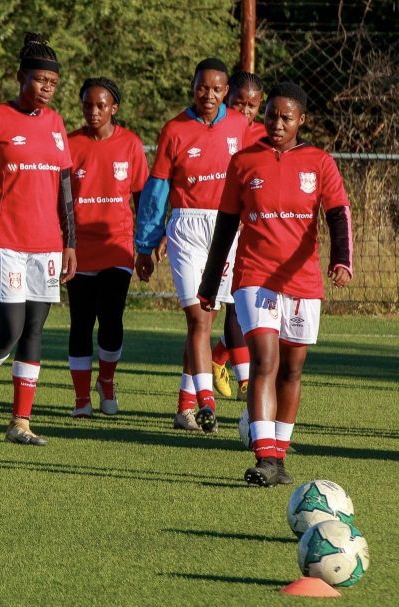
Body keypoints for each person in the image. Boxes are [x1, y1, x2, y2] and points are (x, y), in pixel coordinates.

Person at [197, 82, 352, 486]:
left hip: (302, 281)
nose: (276, 123)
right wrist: (210, 284)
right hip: (255, 276)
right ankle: (264, 456)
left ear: (302, 120)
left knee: (292, 370)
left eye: (286, 117)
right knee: (265, 361)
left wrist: (342, 261)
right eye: (270, 115)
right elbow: (226, 225)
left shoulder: (319, 162)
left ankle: (279, 458)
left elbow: (338, 213)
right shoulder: (244, 161)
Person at [0, 34, 74, 445]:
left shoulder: (57, 123)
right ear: (20, 77)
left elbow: (64, 188)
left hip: (46, 244)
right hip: (4, 242)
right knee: (10, 328)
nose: (46, 88)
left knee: (35, 331)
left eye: (52, 83)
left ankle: (19, 422)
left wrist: (69, 242)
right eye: (40, 80)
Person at [134, 57, 249, 434]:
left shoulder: (239, 125)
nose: (209, 95)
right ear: (193, 85)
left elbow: (253, 175)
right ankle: (207, 403)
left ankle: (185, 407)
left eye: (217, 89)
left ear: (226, 92)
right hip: (187, 227)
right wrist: (147, 243)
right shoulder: (175, 130)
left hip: (227, 228)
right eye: (203, 87)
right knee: (198, 318)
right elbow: (157, 191)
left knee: (209, 319)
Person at [65, 78, 148, 418]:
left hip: (117, 245)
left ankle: (107, 383)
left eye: (101, 105)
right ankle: (81, 398)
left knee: (111, 317)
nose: (94, 111)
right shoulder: (69, 144)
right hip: (79, 248)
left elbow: (143, 197)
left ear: (114, 108)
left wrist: (147, 243)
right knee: (81, 322)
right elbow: (60, 198)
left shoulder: (130, 144)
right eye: (88, 105)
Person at [210, 72, 265, 401]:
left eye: (252, 105)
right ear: (228, 99)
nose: (244, 110)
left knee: (252, 308)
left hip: (257, 230)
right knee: (233, 305)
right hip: (220, 228)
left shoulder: (263, 135)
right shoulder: (220, 130)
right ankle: (246, 382)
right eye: (238, 103)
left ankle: (219, 356)